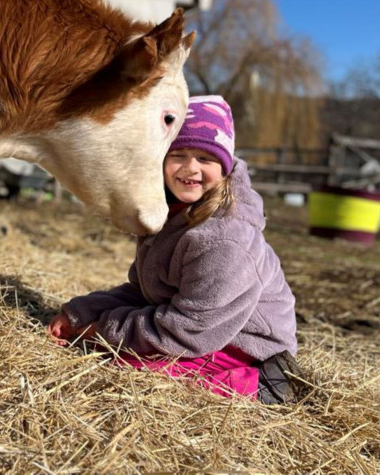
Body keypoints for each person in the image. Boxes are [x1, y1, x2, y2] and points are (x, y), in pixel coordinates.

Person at [48, 95, 303, 403]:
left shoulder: (224, 239)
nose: (190, 168)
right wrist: (79, 313)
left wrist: (101, 330)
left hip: (242, 344)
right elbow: (144, 292)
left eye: (205, 159)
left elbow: (191, 329)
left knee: (131, 374)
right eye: (178, 154)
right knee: (106, 354)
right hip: (198, 328)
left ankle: (262, 385)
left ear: (224, 168)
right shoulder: (169, 216)